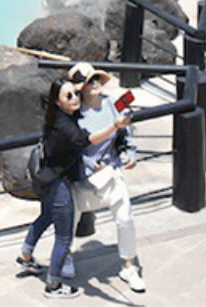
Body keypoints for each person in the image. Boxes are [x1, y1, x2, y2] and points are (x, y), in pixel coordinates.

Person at [67, 63, 145, 293]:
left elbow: (125, 133)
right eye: (90, 81)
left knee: (125, 218)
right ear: (80, 88)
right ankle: (65, 256)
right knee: (70, 220)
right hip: (83, 176)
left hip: (112, 171)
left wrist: (130, 152)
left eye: (97, 79)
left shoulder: (114, 103)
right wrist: (90, 163)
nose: (95, 84)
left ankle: (129, 266)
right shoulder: (73, 114)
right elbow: (72, 146)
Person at [16, 79, 89, 298]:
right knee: (64, 237)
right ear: (58, 102)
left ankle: (26, 256)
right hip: (60, 185)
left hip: (47, 181)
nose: (75, 98)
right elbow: (83, 140)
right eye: (69, 96)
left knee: (46, 216)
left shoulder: (55, 119)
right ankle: (54, 285)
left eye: (76, 93)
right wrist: (114, 127)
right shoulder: (65, 126)